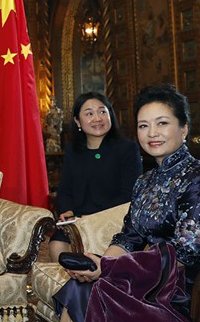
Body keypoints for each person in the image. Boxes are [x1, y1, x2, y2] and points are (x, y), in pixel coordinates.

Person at [53, 84, 200, 322]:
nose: (152, 133)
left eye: (162, 123)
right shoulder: (145, 182)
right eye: (143, 126)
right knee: (81, 289)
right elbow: (129, 238)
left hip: (182, 290)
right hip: (146, 277)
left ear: (184, 129)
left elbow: (182, 256)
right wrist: (101, 264)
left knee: (95, 294)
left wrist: (111, 270)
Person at [49, 92, 142, 260]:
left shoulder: (127, 149)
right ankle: (73, 287)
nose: (97, 118)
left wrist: (95, 218)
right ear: (78, 121)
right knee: (57, 246)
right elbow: (65, 189)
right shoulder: (73, 150)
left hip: (112, 220)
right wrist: (67, 210)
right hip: (78, 220)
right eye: (89, 114)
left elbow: (130, 193)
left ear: (110, 115)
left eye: (102, 111)